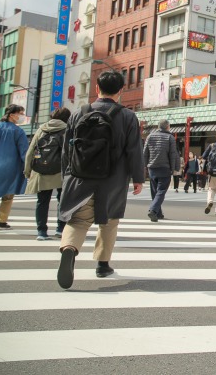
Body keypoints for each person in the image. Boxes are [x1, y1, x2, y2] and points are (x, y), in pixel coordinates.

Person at [57, 70, 144, 289]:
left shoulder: (78, 113)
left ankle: (69, 249)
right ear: (121, 91)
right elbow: (134, 150)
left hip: (80, 176)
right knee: (109, 221)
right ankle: (103, 264)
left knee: (78, 220)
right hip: (113, 179)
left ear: (97, 89)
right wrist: (138, 178)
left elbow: (67, 150)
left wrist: (66, 176)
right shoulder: (128, 117)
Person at [25, 108, 71, 240]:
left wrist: (27, 171)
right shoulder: (67, 130)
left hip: (41, 170)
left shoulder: (41, 129)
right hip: (61, 171)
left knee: (42, 201)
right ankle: (60, 229)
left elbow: (30, 151)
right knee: (62, 200)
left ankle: (41, 232)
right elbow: (71, 152)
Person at [144, 120, 178, 222]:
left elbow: (145, 152)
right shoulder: (170, 137)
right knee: (161, 191)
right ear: (167, 127)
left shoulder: (150, 136)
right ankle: (153, 210)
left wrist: (145, 166)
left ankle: (158, 214)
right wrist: (173, 169)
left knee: (155, 191)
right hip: (165, 167)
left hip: (152, 167)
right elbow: (173, 154)